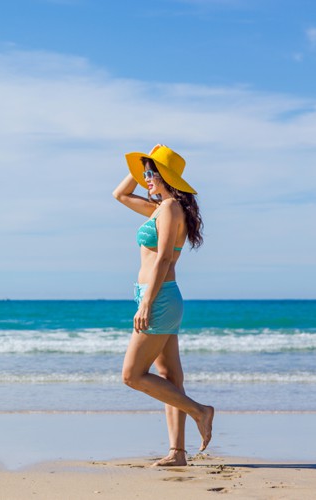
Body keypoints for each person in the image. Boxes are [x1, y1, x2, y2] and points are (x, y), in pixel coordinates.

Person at [112, 144, 214, 467]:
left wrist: (145, 303)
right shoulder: (161, 208)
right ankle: (178, 453)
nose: (146, 180)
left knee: (131, 375)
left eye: (151, 174)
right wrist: (144, 164)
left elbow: (165, 258)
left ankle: (200, 411)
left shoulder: (169, 209)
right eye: (144, 175)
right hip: (160, 297)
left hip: (158, 298)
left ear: (166, 176)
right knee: (170, 377)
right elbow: (120, 194)